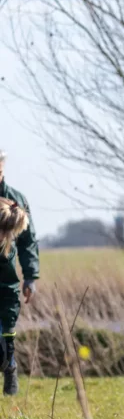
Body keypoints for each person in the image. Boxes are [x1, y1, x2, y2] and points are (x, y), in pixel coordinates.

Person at [0, 150, 40, 396]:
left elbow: (28, 242)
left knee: (6, 331)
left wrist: (31, 276)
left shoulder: (16, 199)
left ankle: (10, 366)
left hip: (6, 277)